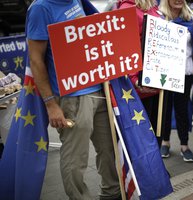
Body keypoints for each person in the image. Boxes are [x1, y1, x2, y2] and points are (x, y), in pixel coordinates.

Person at [26, 0, 121, 199]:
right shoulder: (40, 8)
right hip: (71, 98)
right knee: (75, 159)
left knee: (109, 150)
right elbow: (36, 60)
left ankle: (112, 194)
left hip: (99, 88)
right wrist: (51, 104)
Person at [118, 0, 162, 147]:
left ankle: (156, 170)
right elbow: (125, 47)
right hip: (141, 85)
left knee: (156, 134)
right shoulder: (127, 8)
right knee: (144, 140)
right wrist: (134, 78)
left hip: (157, 80)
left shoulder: (152, 6)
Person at [159, 0, 193, 162]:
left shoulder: (192, 19)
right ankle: (165, 142)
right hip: (164, 72)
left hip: (184, 72)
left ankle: (185, 145)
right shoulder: (159, 18)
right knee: (165, 107)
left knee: (182, 109)